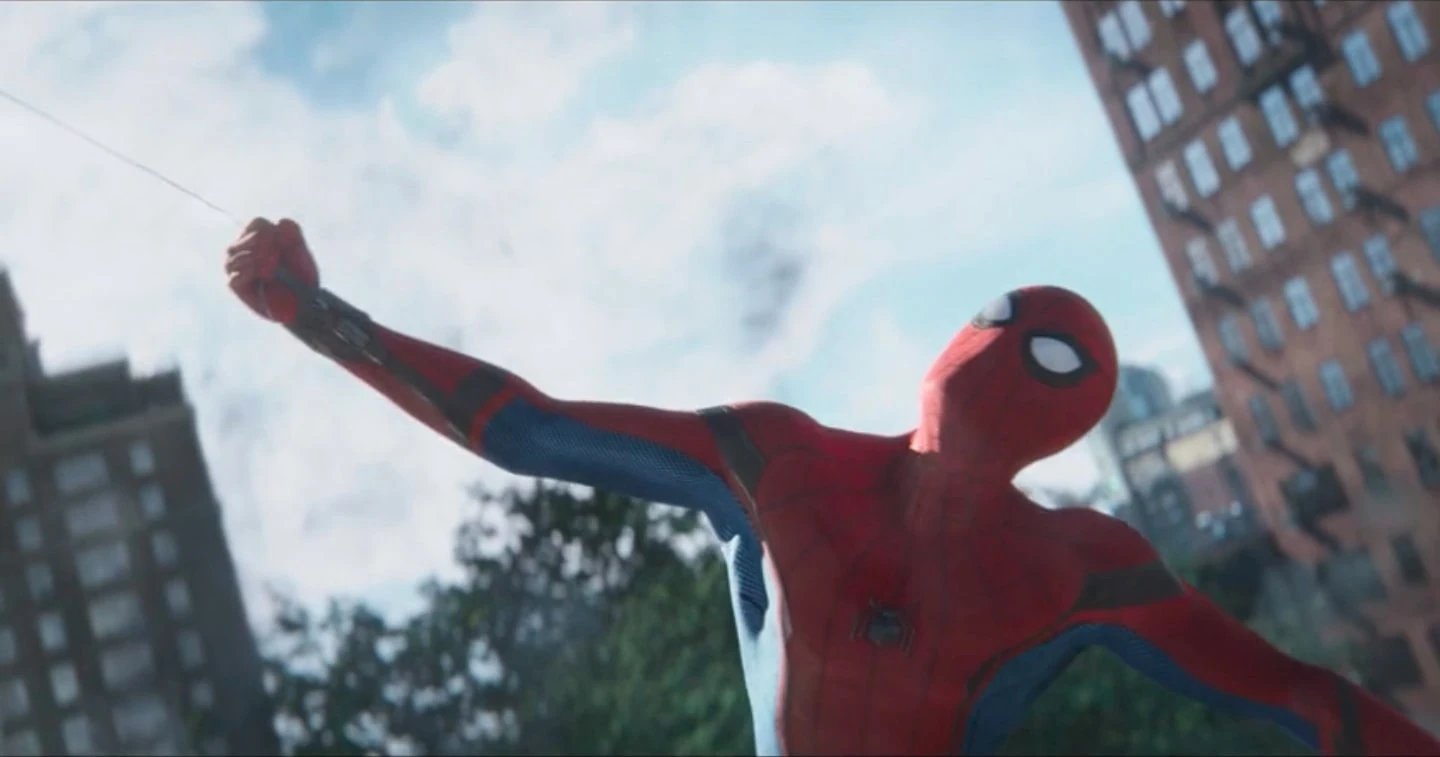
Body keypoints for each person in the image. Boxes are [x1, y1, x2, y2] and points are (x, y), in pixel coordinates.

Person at [225, 217, 1440, 756]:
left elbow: (1302, 698)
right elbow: (526, 427)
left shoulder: (1080, 564)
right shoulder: (784, 464)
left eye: (1056, 363)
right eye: (1012, 330)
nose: (1017, 361)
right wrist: (319, 316)